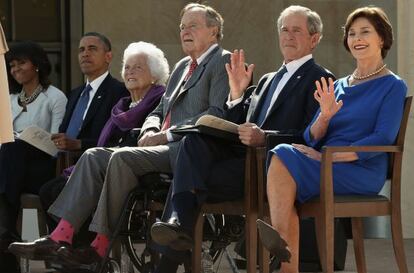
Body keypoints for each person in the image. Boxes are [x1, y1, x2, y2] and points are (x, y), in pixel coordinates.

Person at [9, 2, 231, 272]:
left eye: (193, 26)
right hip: (157, 145)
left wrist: (167, 135)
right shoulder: (184, 65)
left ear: (213, 30)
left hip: (188, 149)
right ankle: (60, 237)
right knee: (93, 156)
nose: (185, 31)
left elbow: (216, 113)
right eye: (182, 26)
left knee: (123, 158)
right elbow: (160, 109)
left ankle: (99, 247)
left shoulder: (222, 60)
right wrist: (151, 129)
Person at [149, 5, 334, 273]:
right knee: (192, 143)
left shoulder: (321, 77)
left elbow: (312, 137)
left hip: (271, 171)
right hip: (241, 165)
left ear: (314, 39)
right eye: (284, 30)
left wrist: (264, 138)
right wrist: (236, 96)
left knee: (187, 182)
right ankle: (177, 231)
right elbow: (238, 124)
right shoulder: (269, 79)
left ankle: (171, 252)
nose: (288, 36)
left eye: (297, 30)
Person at [256, 6, 407, 273]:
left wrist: (329, 156)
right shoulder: (338, 85)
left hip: (360, 169)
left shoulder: (393, 85)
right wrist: (324, 117)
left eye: (365, 32)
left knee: (281, 157)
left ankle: (281, 251)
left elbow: (383, 137)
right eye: (352, 33)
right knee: (282, 155)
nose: (357, 39)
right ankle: (284, 257)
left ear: (381, 39)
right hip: (324, 165)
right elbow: (309, 136)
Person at [38, 41, 169, 238]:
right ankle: (66, 252)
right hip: (106, 161)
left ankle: (78, 250)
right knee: (50, 188)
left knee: (64, 189)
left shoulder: (160, 101)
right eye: (127, 67)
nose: (130, 72)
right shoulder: (122, 105)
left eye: (138, 67)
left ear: (154, 75)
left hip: (133, 167)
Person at [0, 41, 67, 273]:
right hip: (13, 169)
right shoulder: (9, 100)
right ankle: (5, 235)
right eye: (12, 65)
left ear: (37, 65)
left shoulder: (54, 97)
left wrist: (26, 140)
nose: (16, 69)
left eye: (21, 63)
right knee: (9, 149)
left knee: (13, 147)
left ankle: (5, 234)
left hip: (43, 167)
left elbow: (58, 143)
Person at [52, 32, 128, 152]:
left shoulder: (120, 91)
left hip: (96, 164)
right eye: (81, 50)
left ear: (108, 57)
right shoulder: (74, 94)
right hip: (64, 163)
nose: (85, 54)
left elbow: (117, 139)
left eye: (92, 49)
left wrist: (79, 144)